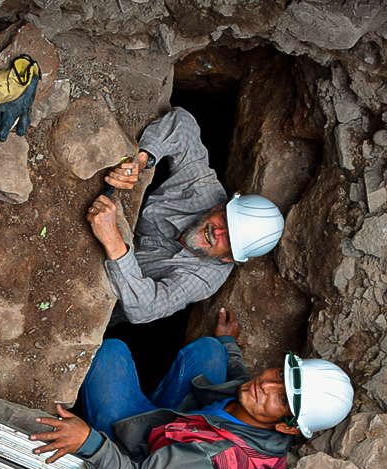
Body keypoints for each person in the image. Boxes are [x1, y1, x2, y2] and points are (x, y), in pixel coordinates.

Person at [29, 308, 353, 469]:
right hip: (175, 428)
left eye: (282, 399)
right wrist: (228, 344)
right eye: (279, 375)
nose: (266, 385)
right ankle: (149, 399)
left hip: (135, 459)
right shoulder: (257, 412)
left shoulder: (218, 463)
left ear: (287, 427)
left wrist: (89, 443)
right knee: (210, 351)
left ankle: (100, 422)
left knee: (112, 351)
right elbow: (239, 379)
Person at [87, 107, 286, 325]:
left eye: (228, 239)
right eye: (225, 221)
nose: (217, 232)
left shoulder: (205, 277)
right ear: (218, 207)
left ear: (228, 258)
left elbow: (144, 309)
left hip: (111, 294)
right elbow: (183, 123)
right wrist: (142, 160)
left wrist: (113, 241)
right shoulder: (203, 189)